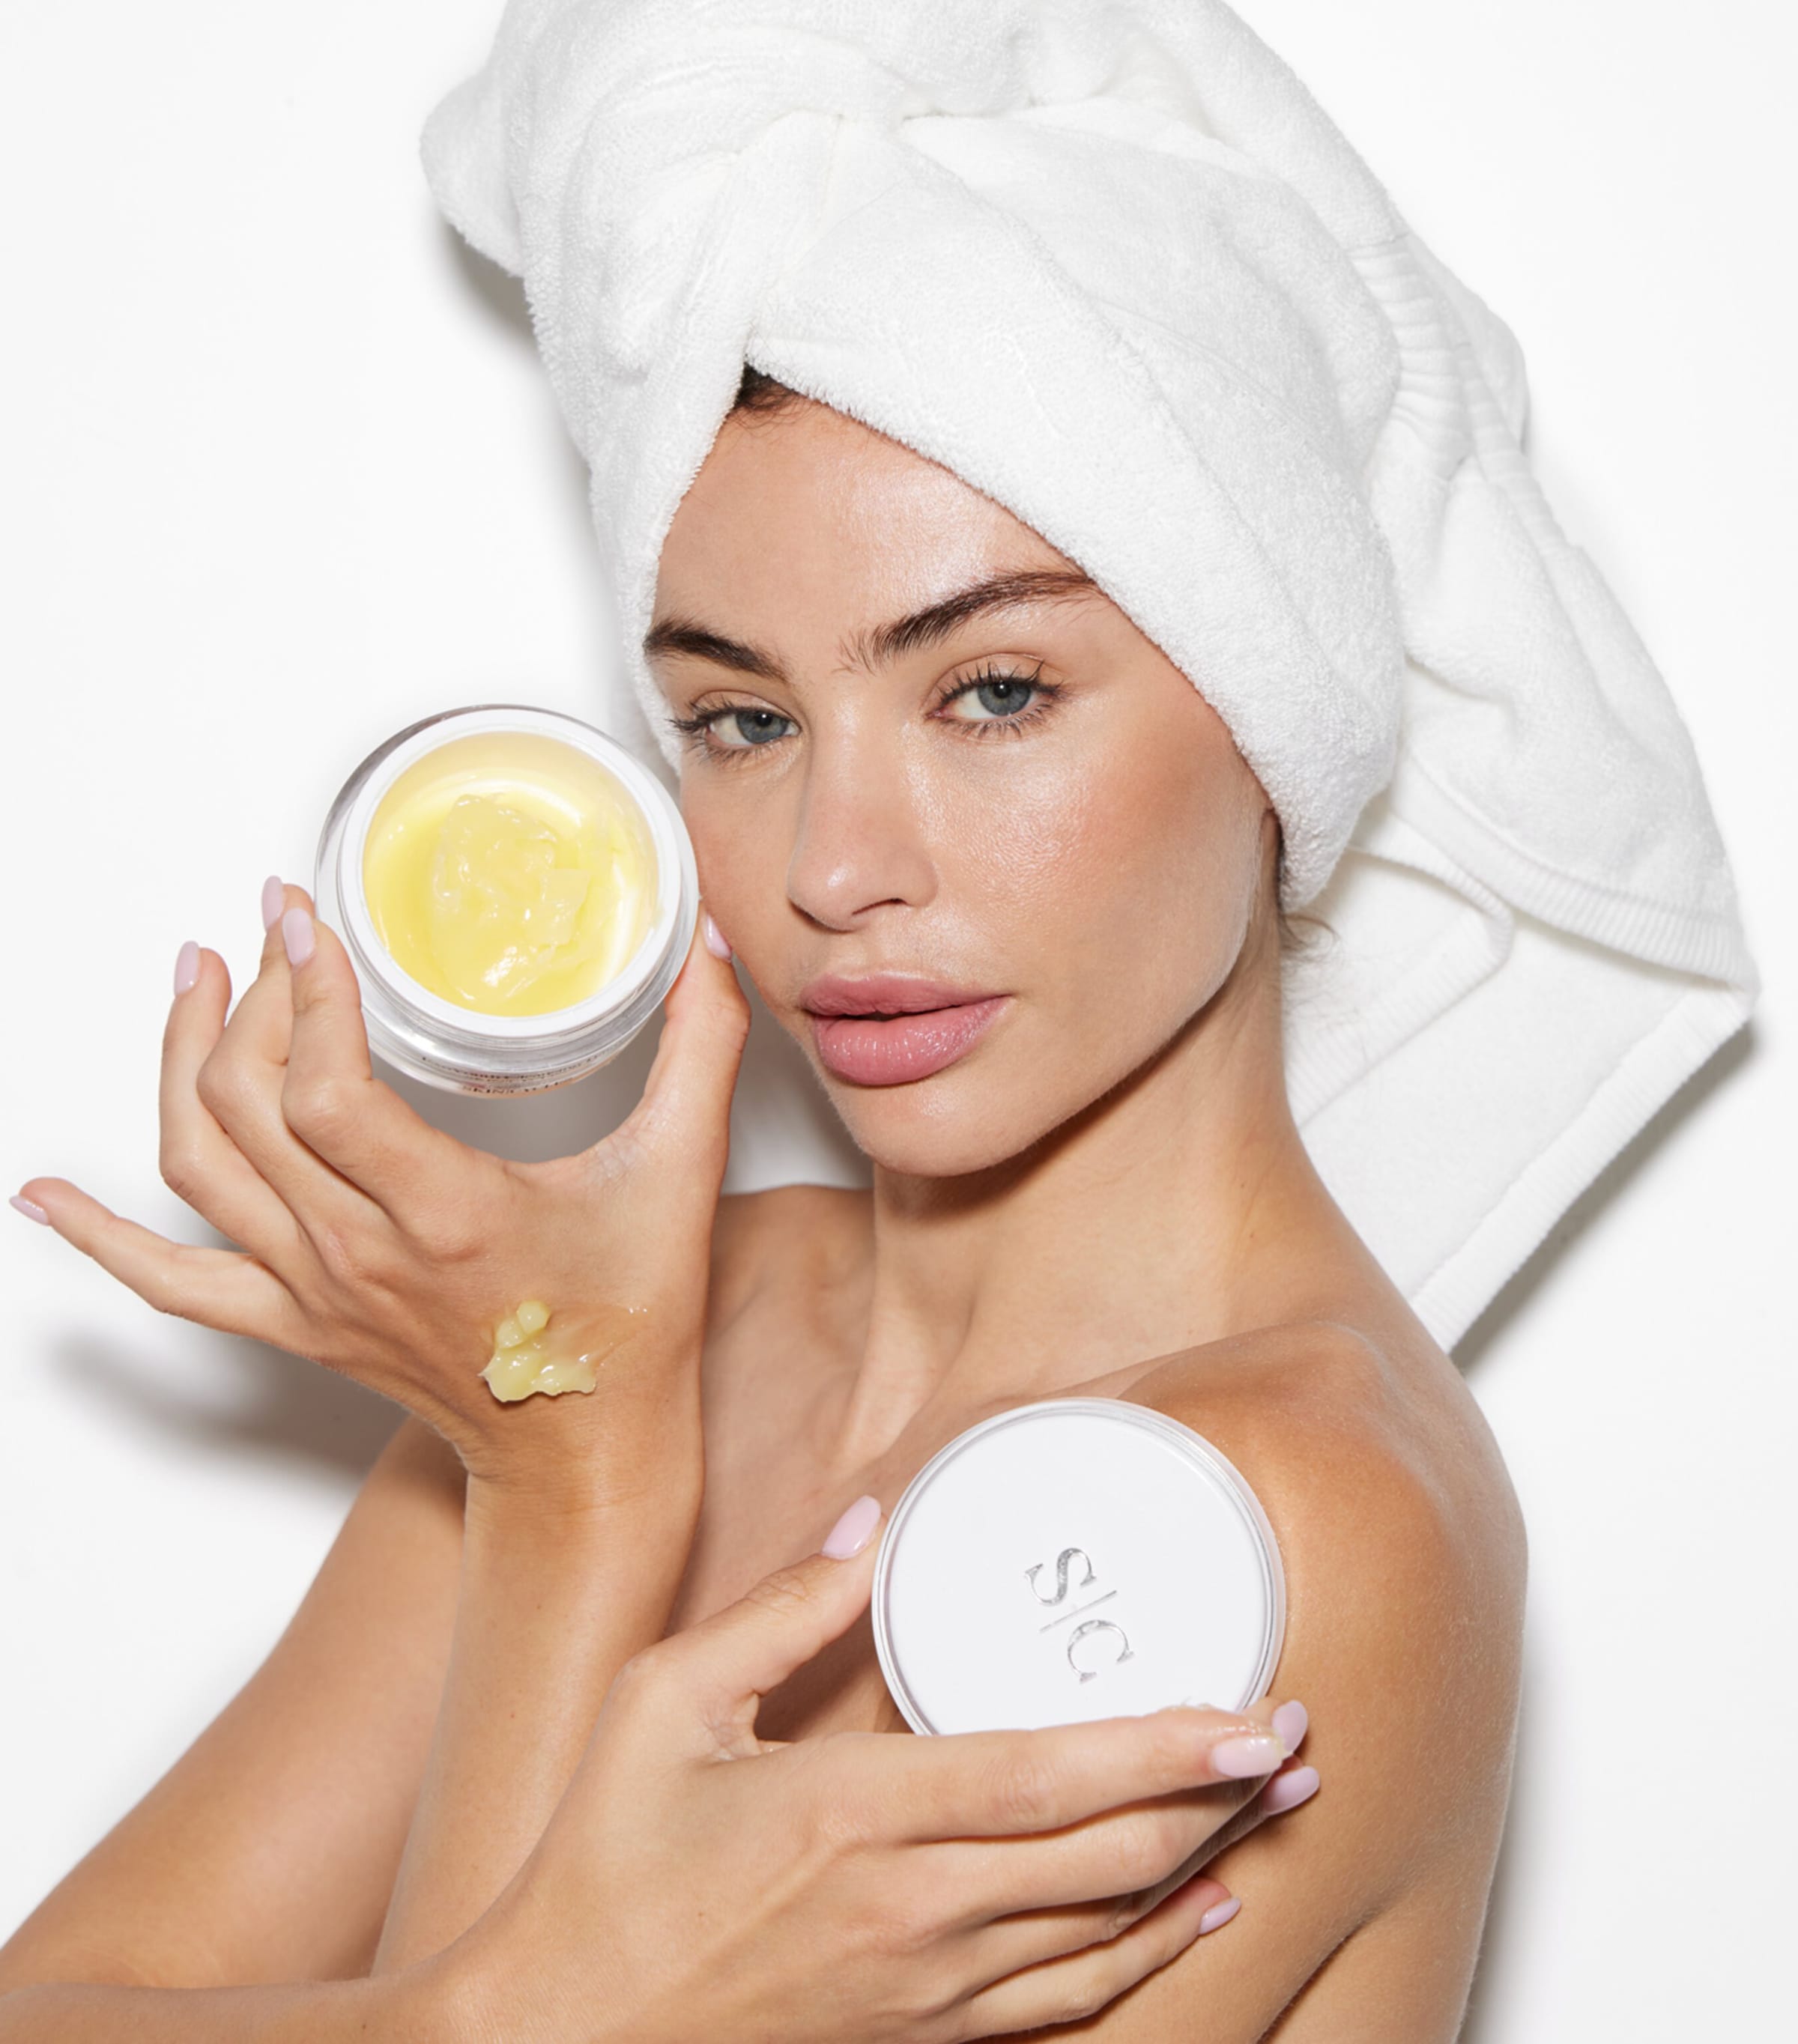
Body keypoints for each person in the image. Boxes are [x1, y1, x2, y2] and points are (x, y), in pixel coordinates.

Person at [0, 0, 1754, 2037]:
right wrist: (561, 1452)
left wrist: (568, 1495)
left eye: (992, 691)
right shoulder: (641, 1324)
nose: (834, 865)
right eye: (742, 720)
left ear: (1277, 718)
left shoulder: (1276, 1525)